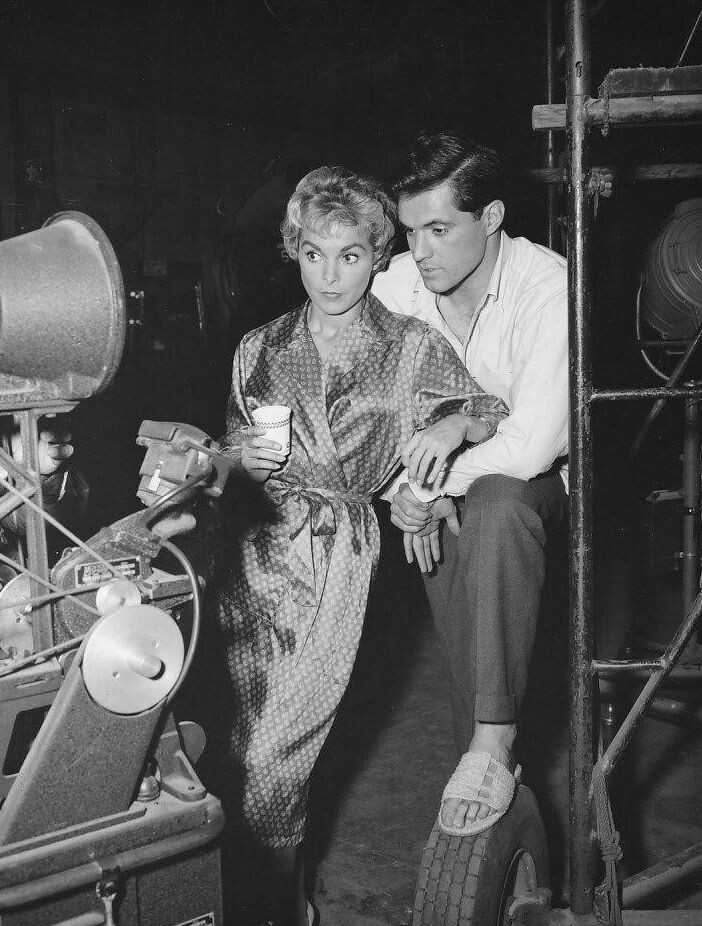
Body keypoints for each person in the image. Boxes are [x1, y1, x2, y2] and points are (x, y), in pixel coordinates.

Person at [215, 165, 508, 925]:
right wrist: (242, 458)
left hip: (338, 555)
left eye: (349, 255)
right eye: (314, 253)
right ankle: (278, 901)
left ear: (379, 256)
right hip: (255, 553)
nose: (330, 275)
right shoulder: (260, 347)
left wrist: (450, 427)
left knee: (280, 750)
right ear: (295, 250)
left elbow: (485, 407)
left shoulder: (408, 346)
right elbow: (231, 444)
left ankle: (274, 908)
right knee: (242, 746)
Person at [371, 131, 569, 838]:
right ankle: (488, 759)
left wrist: (429, 487)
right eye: (408, 231)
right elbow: (362, 410)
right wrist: (405, 488)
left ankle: (491, 740)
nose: (419, 251)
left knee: (497, 507)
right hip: (433, 495)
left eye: (437, 229)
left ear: (490, 218)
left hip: (538, 495)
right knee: (469, 538)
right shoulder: (397, 287)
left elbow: (534, 445)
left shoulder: (546, 286)